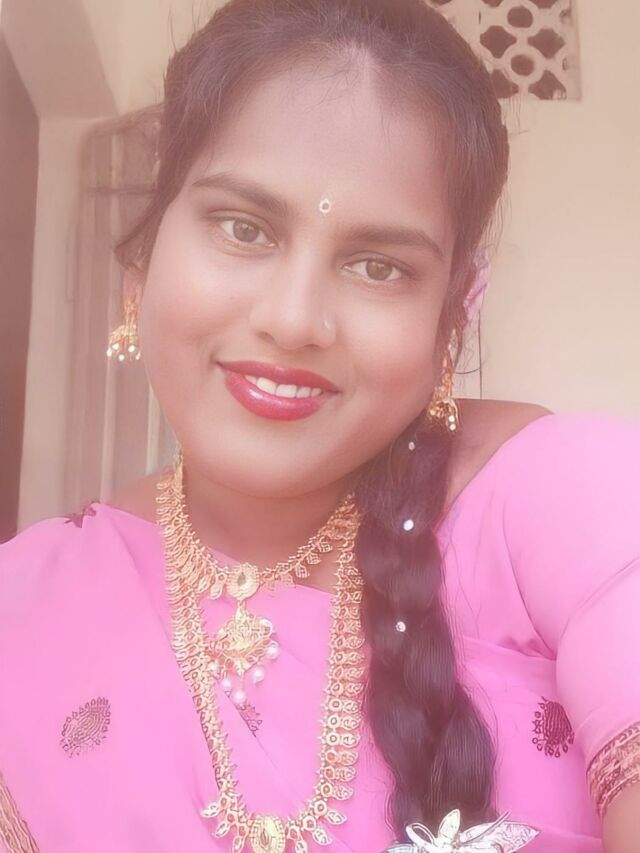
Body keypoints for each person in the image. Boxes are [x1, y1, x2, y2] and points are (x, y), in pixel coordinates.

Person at [0, 1, 638, 851]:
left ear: (448, 323)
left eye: (378, 266)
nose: (295, 319)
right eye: (244, 228)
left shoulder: (572, 501)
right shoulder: (25, 613)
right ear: (142, 262)